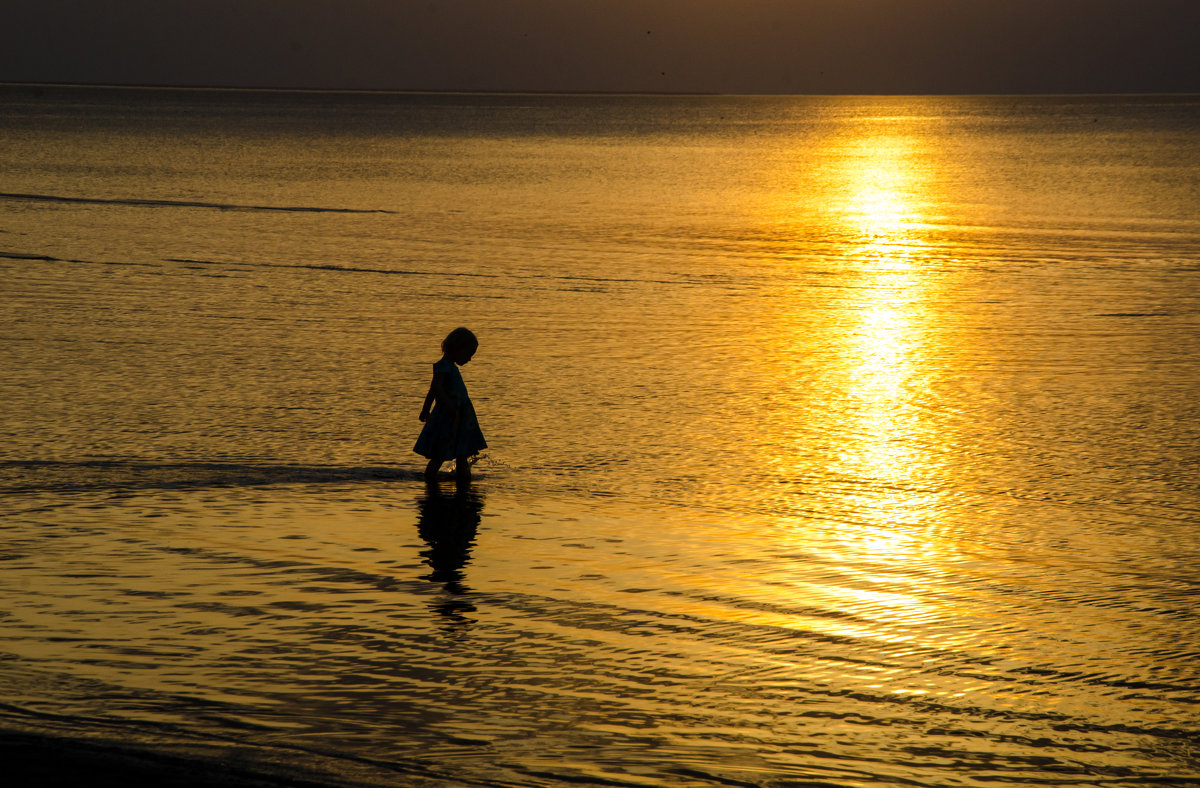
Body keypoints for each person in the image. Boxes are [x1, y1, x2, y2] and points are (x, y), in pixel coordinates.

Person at [414, 327, 487, 483]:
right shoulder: (444, 366)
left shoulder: (450, 367)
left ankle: (464, 480)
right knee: (439, 454)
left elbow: (434, 389)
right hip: (448, 417)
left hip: (459, 417)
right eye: (468, 354)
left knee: (462, 452)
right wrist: (439, 407)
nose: (469, 359)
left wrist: (427, 408)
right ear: (458, 348)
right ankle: (430, 480)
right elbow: (435, 388)